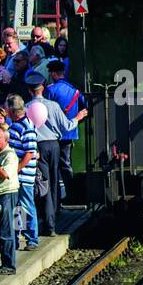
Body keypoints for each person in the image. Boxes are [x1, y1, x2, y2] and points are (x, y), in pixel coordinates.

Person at [25, 71, 88, 234]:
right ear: (43, 88)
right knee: (53, 182)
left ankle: (48, 224)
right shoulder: (53, 106)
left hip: (38, 147)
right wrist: (78, 117)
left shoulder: (27, 108)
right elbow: (67, 126)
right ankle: (54, 217)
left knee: (42, 184)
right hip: (54, 145)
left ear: (30, 91)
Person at [46, 60, 84, 203]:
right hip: (70, 132)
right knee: (66, 164)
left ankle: (57, 198)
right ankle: (71, 193)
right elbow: (84, 106)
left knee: (54, 167)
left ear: (54, 74)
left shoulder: (51, 90)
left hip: (54, 133)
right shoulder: (74, 89)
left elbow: (46, 110)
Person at [6, 94, 39, 250]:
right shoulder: (14, 125)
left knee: (26, 205)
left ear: (12, 110)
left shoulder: (26, 126)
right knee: (17, 207)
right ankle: (17, 236)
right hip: (16, 176)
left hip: (23, 175)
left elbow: (29, 152)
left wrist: (16, 169)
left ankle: (32, 238)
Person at [0, 123, 19, 273]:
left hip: (7, 194)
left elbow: (5, 175)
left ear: (6, 140)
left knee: (6, 231)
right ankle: (4, 262)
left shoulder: (10, 156)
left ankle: (9, 265)